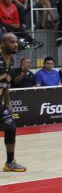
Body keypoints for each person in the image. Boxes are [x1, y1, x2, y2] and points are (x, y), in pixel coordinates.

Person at [0, 33, 24, 171]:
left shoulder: (10, 59)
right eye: (12, 42)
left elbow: (5, 84)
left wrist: (8, 103)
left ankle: (10, 163)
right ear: (3, 44)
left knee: (10, 128)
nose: (16, 44)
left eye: (16, 42)